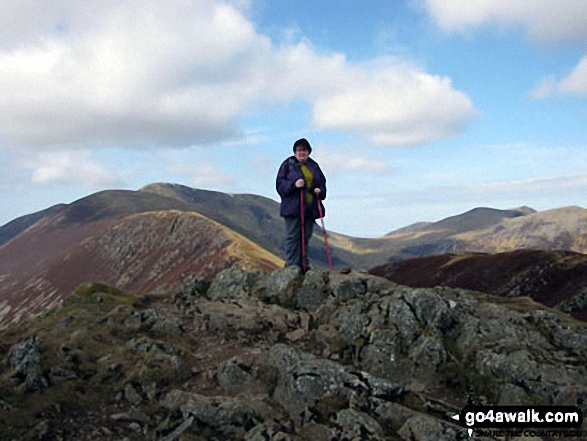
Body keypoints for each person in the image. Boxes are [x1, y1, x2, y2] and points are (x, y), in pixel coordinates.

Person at [276, 138, 327, 271]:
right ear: (295, 152)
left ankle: (303, 265)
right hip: (293, 209)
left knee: (305, 237)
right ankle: (292, 266)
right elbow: (280, 186)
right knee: (293, 237)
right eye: (299, 150)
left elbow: (322, 183)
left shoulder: (314, 166)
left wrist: (320, 191)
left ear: (308, 152)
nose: (301, 152)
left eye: (304, 150)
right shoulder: (287, 165)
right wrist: (294, 185)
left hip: (309, 208)